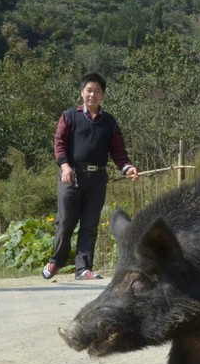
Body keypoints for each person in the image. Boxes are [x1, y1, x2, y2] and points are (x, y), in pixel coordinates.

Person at [43, 72, 140, 281]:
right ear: (82, 92)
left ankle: (83, 269)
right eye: (89, 90)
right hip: (71, 175)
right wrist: (65, 167)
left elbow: (118, 152)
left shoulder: (110, 122)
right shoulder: (69, 116)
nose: (92, 95)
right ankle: (56, 261)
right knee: (66, 220)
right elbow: (59, 144)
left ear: (103, 96)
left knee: (90, 223)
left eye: (97, 91)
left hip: (98, 178)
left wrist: (128, 168)